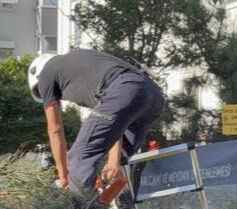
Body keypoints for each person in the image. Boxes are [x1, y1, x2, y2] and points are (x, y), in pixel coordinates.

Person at [28, 49, 164, 198]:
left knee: (79, 156)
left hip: (124, 89)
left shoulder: (47, 73)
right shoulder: (82, 70)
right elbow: (115, 124)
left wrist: (64, 175)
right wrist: (113, 160)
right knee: (119, 161)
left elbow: (55, 129)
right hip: (153, 95)